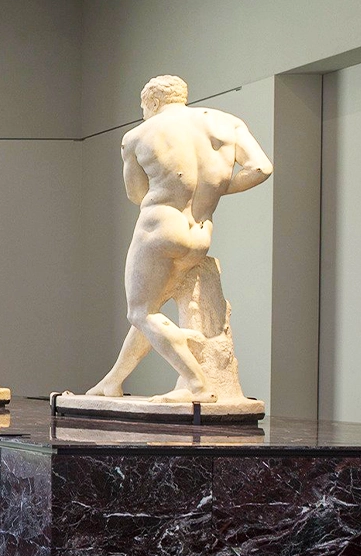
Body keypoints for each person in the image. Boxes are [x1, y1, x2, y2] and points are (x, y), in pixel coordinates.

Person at [86, 75, 272, 402]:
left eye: (143, 106)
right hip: (201, 232)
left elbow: (135, 194)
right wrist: (215, 187)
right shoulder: (227, 124)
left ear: (153, 102)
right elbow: (261, 168)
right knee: (151, 309)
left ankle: (197, 385)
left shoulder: (137, 136)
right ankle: (112, 382)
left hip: (161, 227)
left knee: (140, 313)